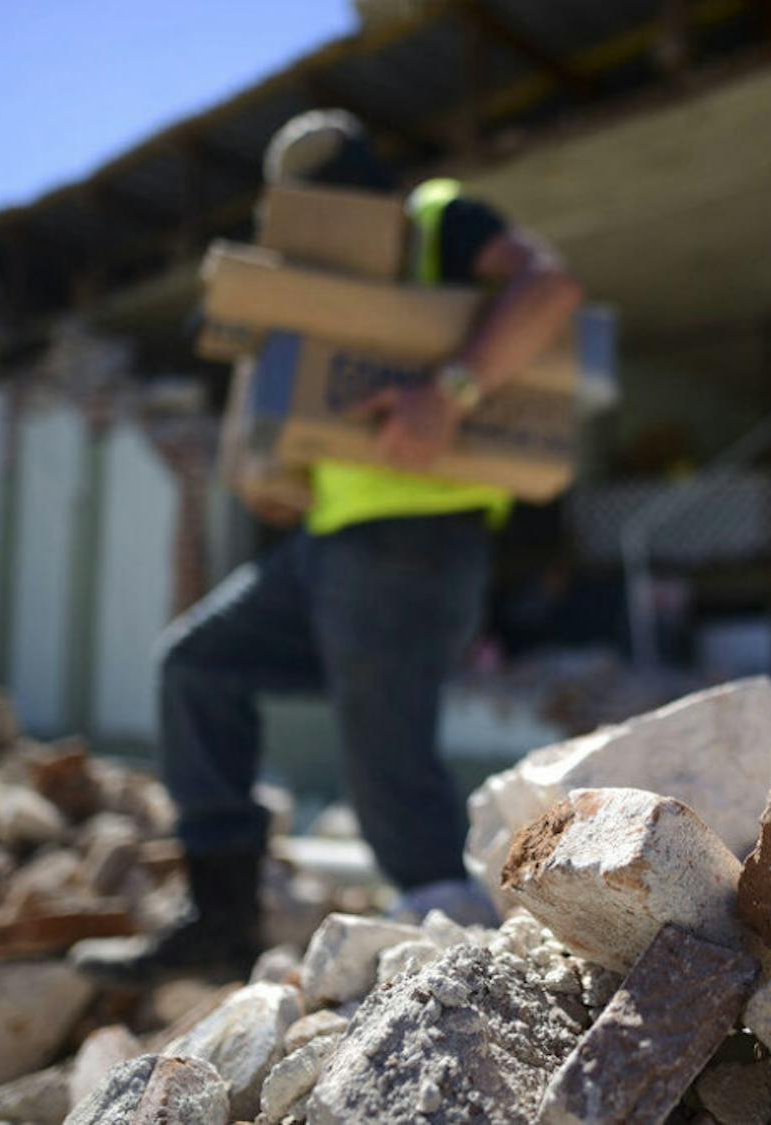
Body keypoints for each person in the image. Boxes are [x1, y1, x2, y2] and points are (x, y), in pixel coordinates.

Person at [76, 109, 583, 983]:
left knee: (380, 743)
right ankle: (223, 916)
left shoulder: (437, 216)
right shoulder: (309, 274)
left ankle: (458, 961)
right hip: (330, 540)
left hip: (419, 534)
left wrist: (451, 390)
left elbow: (548, 289)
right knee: (197, 665)